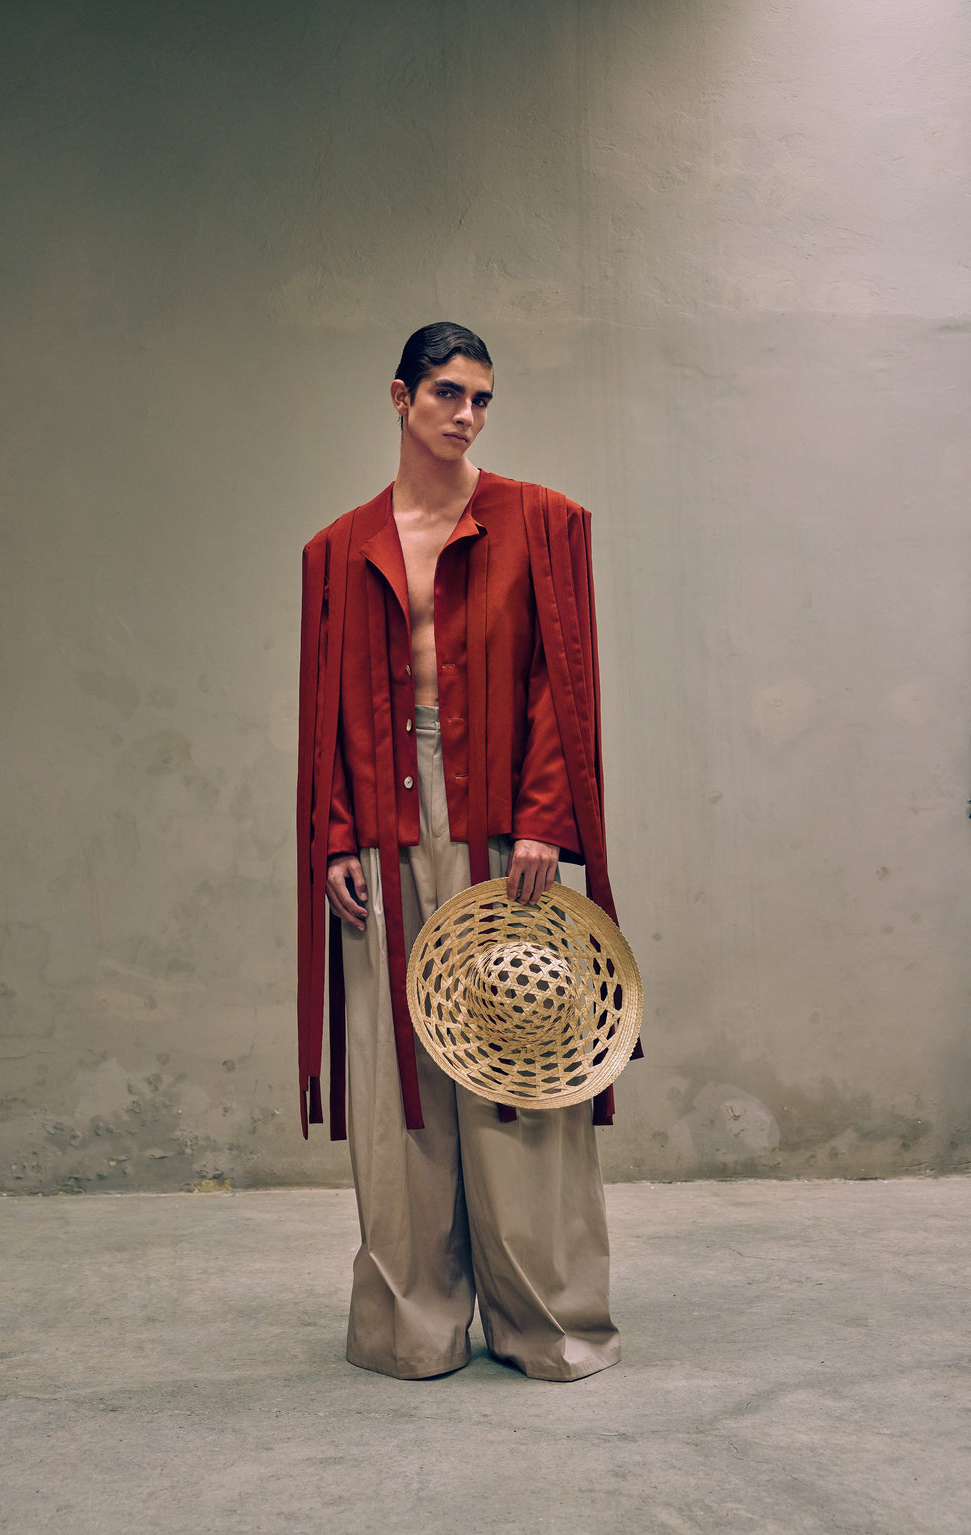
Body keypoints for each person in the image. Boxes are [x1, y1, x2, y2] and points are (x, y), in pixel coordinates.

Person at [296, 322, 640, 1381]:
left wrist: (543, 814)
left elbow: (559, 682)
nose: (468, 414)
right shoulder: (338, 548)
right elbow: (326, 708)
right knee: (395, 1070)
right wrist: (336, 833)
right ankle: (414, 1322)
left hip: (498, 815)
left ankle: (548, 1318)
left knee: (518, 1059)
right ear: (399, 396)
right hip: (385, 818)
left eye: (483, 397)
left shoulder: (543, 522)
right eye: (448, 392)